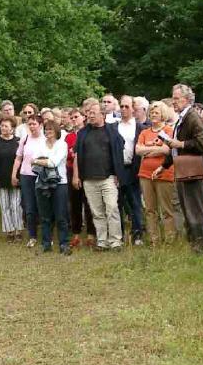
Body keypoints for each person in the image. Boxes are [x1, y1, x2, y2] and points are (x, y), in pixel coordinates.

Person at [156, 84, 203, 252]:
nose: (173, 102)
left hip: (192, 171)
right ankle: (193, 244)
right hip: (183, 169)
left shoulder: (193, 117)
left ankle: (200, 246)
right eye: (173, 98)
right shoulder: (183, 116)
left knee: (194, 209)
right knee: (187, 209)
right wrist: (165, 165)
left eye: (176, 98)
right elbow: (174, 147)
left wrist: (180, 143)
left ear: (187, 99)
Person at [72, 101, 127, 251]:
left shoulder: (112, 131)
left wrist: (118, 173)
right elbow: (76, 155)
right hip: (89, 179)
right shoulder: (83, 133)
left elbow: (119, 152)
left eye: (93, 113)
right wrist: (76, 176)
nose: (90, 115)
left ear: (102, 114)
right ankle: (102, 241)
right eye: (88, 113)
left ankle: (115, 241)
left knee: (112, 208)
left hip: (108, 178)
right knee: (97, 213)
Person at [135, 101, 177, 245]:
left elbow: (167, 150)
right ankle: (154, 240)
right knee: (150, 209)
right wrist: (156, 148)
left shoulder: (168, 130)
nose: (153, 115)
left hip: (164, 173)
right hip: (145, 174)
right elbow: (137, 150)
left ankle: (170, 240)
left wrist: (147, 148)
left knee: (166, 209)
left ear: (163, 114)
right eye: (151, 113)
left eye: (156, 113)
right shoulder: (144, 132)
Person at [31, 120, 71, 255]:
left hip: (59, 183)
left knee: (61, 216)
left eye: (50, 130)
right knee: (45, 216)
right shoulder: (40, 144)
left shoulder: (62, 145)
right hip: (41, 183)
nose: (48, 132)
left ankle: (64, 244)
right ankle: (46, 243)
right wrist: (41, 161)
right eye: (46, 130)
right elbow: (33, 161)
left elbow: (53, 163)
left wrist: (39, 161)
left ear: (56, 131)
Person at [0, 117, 23, 242]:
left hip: (15, 178)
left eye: (6, 126)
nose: (3, 128)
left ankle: (18, 230)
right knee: (5, 205)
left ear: (12, 128)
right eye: (2, 126)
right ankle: (9, 231)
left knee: (16, 205)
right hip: (0, 177)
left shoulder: (18, 142)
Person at [11, 114, 46, 247]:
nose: (31, 127)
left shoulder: (46, 140)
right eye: (29, 124)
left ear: (40, 125)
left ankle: (46, 235)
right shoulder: (24, 139)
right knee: (29, 207)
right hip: (26, 175)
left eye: (34, 124)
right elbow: (18, 158)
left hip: (41, 176)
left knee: (42, 206)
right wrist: (14, 174)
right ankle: (32, 236)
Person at [65, 107, 96, 248]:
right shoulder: (69, 136)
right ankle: (76, 234)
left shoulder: (89, 133)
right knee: (75, 204)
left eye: (76, 116)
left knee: (89, 203)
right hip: (71, 170)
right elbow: (66, 155)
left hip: (88, 171)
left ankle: (91, 235)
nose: (73, 120)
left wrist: (76, 152)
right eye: (71, 117)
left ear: (83, 117)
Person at [117, 95, 144, 245]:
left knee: (135, 203)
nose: (123, 109)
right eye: (121, 106)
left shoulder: (139, 127)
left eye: (127, 106)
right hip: (119, 169)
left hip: (134, 169)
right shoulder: (115, 126)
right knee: (118, 203)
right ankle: (119, 235)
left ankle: (138, 234)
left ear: (133, 108)